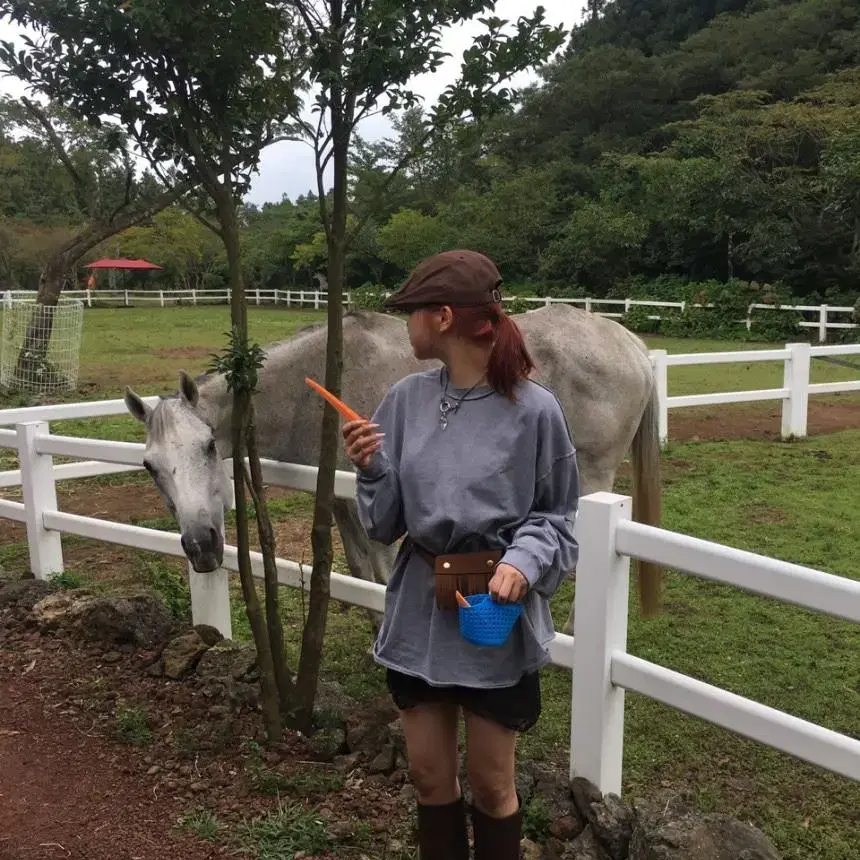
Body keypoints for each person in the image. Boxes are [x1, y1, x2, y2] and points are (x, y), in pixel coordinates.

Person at [342, 249, 580, 860]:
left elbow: (559, 517)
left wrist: (523, 562)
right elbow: (387, 523)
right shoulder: (403, 399)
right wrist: (373, 469)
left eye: (412, 312)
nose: (406, 324)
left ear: (443, 317)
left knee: (492, 783)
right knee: (428, 779)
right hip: (419, 611)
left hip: (492, 614)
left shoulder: (535, 411)